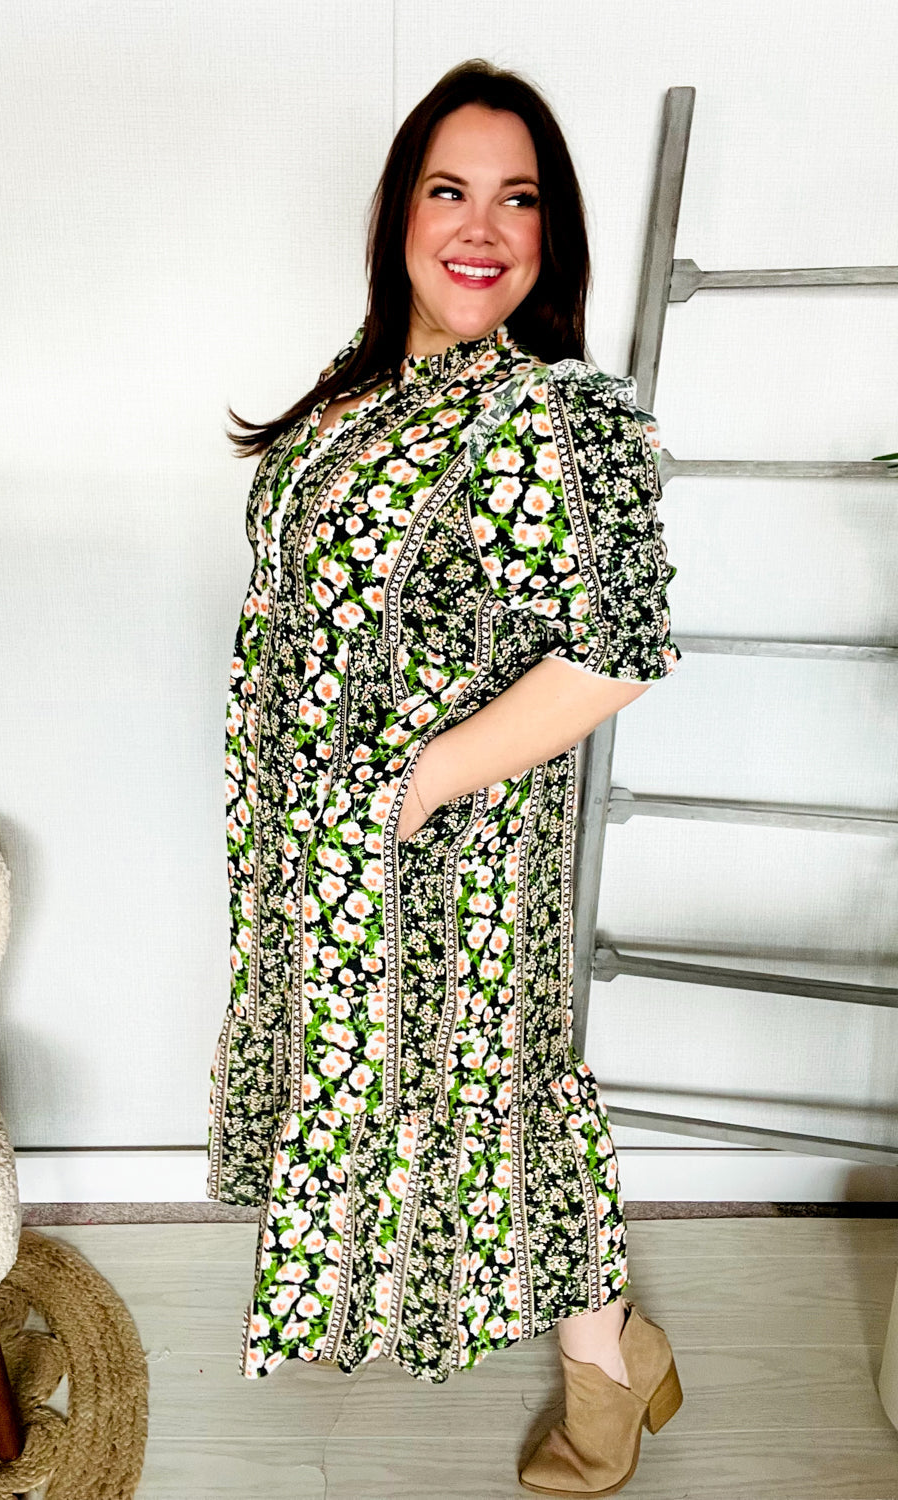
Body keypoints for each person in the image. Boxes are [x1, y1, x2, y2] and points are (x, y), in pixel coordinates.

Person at [207, 57, 684, 1497]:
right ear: (400, 216)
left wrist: (411, 788)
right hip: (318, 853)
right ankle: (622, 1349)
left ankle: (606, 1373)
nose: (481, 227)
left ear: (553, 233)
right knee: (412, 1102)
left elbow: (615, 656)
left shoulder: (558, 415)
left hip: (454, 859)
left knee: (507, 1105)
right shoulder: (357, 395)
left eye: (517, 198)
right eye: (449, 190)